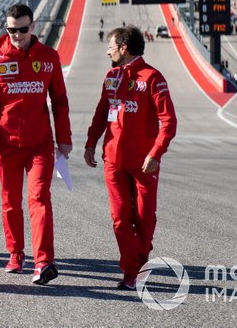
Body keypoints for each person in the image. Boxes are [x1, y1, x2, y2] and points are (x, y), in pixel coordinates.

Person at [0, 3, 72, 285]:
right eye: (11, 30)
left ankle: (44, 261)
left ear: (33, 27)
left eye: (22, 29)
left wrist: (64, 139)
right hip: (6, 144)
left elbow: (60, 101)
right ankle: (15, 252)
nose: (16, 34)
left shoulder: (49, 57)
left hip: (40, 143)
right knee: (10, 202)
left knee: (39, 198)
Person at [84, 26, 177, 290]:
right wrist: (91, 142)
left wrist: (156, 152)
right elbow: (102, 112)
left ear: (124, 48)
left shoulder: (152, 77)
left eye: (111, 45)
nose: (108, 50)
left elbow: (168, 121)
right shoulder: (111, 76)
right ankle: (132, 270)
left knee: (145, 217)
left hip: (145, 162)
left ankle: (139, 258)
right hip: (113, 159)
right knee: (120, 218)